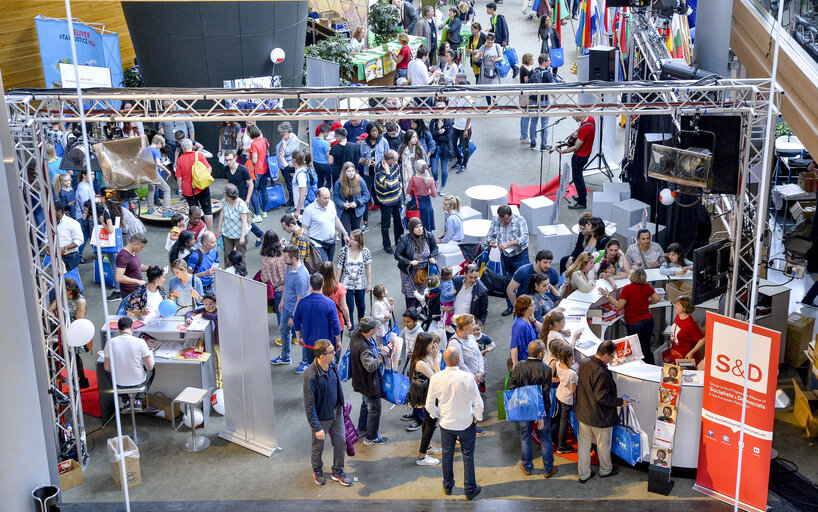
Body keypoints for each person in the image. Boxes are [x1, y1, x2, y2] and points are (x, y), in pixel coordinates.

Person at [425, 347, 484, 500]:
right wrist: (477, 417)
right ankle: (470, 489)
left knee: (447, 454)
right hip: (466, 423)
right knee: (468, 455)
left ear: (445, 361)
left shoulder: (436, 378)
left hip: (446, 425)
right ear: (457, 360)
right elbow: (479, 403)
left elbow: (429, 405)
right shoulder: (467, 377)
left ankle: (448, 485)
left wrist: (438, 415)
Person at [575, 340, 635, 483]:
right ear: (606, 355)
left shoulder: (585, 362)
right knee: (603, 445)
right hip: (599, 417)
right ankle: (605, 470)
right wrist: (621, 402)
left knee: (584, 445)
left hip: (584, 413)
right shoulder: (601, 372)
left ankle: (584, 474)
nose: (613, 360)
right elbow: (602, 397)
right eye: (612, 357)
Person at [303, 338, 352, 486]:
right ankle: (317, 470)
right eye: (332, 351)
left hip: (336, 412)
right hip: (322, 417)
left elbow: (337, 387)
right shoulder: (310, 376)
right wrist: (317, 427)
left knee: (341, 442)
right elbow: (309, 405)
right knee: (318, 446)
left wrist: (342, 406)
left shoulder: (332, 365)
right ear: (322, 356)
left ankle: (338, 471)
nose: (335, 352)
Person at [509, 339, 557, 477]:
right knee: (546, 438)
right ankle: (548, 469)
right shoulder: (546, 369)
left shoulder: (518, 366)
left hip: (523, 408)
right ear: (541, 354)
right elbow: (545, 393)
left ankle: (527, 466)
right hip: (540, 409)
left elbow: (512, 386)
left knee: (525, 437)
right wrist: (540, 415)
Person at [600, 268, 661, 365]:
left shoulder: (627, 288)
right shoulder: (647, 286)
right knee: (646, 347)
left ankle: (638, 369)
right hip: (648, 321)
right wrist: (646, 303)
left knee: (635, 350)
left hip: (635, 323)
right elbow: (657, 298)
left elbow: (619, 305)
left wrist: (608, 296)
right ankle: (650, 367)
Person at [350, 317, 390, 445]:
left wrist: (378, 349)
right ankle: (371, 437)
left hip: (361, 382)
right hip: (369, 384)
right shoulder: (363, 347)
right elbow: (371, 366)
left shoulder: (357, 334)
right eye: (375, 328)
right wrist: (383, 353)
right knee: (374, 409)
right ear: (371, 331)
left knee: (365, 404)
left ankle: (361, 429)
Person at [104, 316, 155, 412]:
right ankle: (139, 399)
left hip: (119, 383)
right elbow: (150, 366)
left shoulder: (110, 342)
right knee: (152, 370)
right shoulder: (140, 342)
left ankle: (126, 400)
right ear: (132, 327)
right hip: (138, 381)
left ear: (118, 329)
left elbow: (107, 367)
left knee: (107, 373)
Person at [293, 273, 342, 374]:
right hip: (326, 345)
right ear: (323, 283)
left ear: (311, 285)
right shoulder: (329, 303)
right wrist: (338, 341)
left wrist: (299, 337)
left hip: (310, 344)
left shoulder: (302, 302)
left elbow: (296, 320)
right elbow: (335, 324)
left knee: (314, 368)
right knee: (328, 369)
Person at [271, 245, 311, 366]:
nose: (284, 259)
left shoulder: (301, 276)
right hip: (287, 308)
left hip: (298, 312)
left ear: (293, 258)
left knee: (303, 337)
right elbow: (287, 285)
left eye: (286, 257)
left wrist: (293, 317)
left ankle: (305, 361)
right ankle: (285, 356)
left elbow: (301, 299)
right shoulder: (289, 268)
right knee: (284, 331)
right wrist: (282, 300)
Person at [488, 205, 531, 316]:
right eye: (501, 219)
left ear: (511, 215)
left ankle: (525, 306)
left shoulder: (519, 220)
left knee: (524, 281)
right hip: (505, 257)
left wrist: (508, 243)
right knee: (508, 281)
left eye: (506, 219)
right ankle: (511, 306)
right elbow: (490, 235)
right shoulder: (496, 221)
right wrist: (491, 242)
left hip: (520, 255)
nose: (503, 221)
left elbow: (524, 238)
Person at [407, 332, 443, 465]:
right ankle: (421, 456)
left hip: (429, 393)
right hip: (426, 395)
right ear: (424, 345)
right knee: (430, 424)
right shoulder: (420, 362)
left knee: (428, 422)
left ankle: (427, 447)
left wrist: (433, 357)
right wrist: (435, 358)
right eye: (431, 344)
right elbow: (437, 377)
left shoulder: (424, 357)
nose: (433, 346)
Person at [395, 218, 439, 309]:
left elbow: (435, 248)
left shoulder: (428, 236)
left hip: (423, 270)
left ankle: (419, 309)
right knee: (411, 294)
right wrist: (409, 262)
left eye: (420, 226)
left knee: (422, 292)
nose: (420, 229)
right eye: (416, 227)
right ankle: (411, 314)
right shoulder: (405, 238)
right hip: (409, 272)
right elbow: (397, 255)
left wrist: (432, 257)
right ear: (411, 229)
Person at [223, 150, 263, 247]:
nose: (228, 162)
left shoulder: (243, 169)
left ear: (235, 158)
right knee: (238, 220)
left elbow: (251, 185)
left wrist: (248, 199)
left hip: (243, 198)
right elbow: (227, 184)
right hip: (232, 199)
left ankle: (260, 235)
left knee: (246, 221)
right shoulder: (225, 169)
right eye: (226, 160)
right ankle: (259, 235)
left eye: (230, 160)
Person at [556, 115, 596, 210]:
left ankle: (582, 203)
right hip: (586, 154)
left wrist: (563, 151)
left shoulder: (584, 128)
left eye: (574, 115)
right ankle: (581, 198)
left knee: (578, 179)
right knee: (578, 178)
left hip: (579, 157)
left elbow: (576, 147)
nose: (573, 117)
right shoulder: (590, 119)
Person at [336, 229, 372, 330]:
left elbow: (368, 268)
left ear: (359, 241)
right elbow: (339, 268)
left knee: (361, 306)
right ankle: (350, 326)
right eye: (350, 238)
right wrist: (337, 284)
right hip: (346, 284)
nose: (350, 241)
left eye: (353, 239)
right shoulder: (344, 251)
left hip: (360, 284)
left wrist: (369, 283)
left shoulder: (365, 251)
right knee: (349, 307)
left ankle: (362, 323)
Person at [175, 138, 214, 231]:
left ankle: (197, 233)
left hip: (189, 191)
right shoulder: (199, 155)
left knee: (194, 213)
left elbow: (179, 177)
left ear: (182, 148)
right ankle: (210, 233)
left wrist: (180, 190)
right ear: (192, 146)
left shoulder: (180, 159)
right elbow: (209, 169)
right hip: (202, 187)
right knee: (207, 210)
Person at [302, 187, 350, 263]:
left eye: (328, 197)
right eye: (325, 198)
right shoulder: (309, 210)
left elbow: (335, 219)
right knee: (326, 266)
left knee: (329, 266)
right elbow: (305, 228)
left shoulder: (331, 204)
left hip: (332, 242)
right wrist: (306, 245)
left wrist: (345, 233)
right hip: (317, 244)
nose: (327, 200)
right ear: (318, 197)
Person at [358, 123, 389, 231]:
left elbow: (388, 157)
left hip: (380, 173)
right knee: (366, 196)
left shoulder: (383, 141)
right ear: (369, 132)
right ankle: (365, 222)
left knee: (382, 196)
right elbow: (360, 157)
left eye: (376, 131)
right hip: (368, 173)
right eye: (372, 131)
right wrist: (364, 161)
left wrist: (379, 163)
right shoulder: (364, 144)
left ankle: (383, 220)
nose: (374, 133)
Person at [374, 150, 405, 254]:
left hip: (397, 198)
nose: (397, 161)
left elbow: (397, 178)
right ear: (388, 160)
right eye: (395, 159)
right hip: (386, 201)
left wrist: (400, 192)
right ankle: (386, 245)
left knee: (398, 222)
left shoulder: (395, 163)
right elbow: (389, 185)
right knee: (386, 225)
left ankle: (399, 241)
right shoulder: (379, 168)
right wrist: (387, 171)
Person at [333, 162, 371, 237]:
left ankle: (357, 248)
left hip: (357, 211)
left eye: (352, 170)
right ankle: (346, 248)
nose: (351, 173)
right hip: (344, 211)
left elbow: (366, 195)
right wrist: (343, 204)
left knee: (356, 233)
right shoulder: (339, 183)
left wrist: (357, 203)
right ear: (344, 172)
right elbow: (335, 197)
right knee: (346, 233)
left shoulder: (359, 180)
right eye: (349, 171)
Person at [527, 54, 555, 150]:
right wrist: (555, 100)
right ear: (544, 62)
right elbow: (552, 90)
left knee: (533, 122)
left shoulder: (533, 71)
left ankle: (533, 143)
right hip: (544, 101)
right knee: (544, 123)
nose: (550, 62)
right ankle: (544, 144)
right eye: (548, 61)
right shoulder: (548, 74)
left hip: (534, 100)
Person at [259, 230, 287, 323]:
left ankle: (284, 335)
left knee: (280, 312)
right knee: (291, 311)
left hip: (276, 290)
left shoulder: (264, 258)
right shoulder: (284, 253)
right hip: (288, 286)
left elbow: (265, 278)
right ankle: (295, 335)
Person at [217, 183, 250, 261]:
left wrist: (242, 236)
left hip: (239, 233)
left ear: (230, 196)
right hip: (227, 233)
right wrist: (220, 226)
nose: (224, 196)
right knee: (227, 255)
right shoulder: (225, 201)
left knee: (240, 255)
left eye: (225, 194)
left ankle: (241, 272)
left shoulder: (241, 205)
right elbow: (222, 213)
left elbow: (244, 222)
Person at [669, 296, 706, 363]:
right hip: (676, 354)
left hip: (686, 358)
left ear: (684, 309)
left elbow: (702, 339)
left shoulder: (690, 325)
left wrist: (691, 352)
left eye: (678, 305)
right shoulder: (678, 316)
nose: (675, 306)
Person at [114, 233, 148, 302]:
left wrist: (149, 268)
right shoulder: (123, 256)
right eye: (141, 247)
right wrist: (138, 282)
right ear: (135, 244)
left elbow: (137, 266)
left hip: (137, 289)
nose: (142, 249)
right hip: (129, 292)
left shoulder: (134, 251)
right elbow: (119, 277)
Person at [319, 261, 350, 337]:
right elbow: (344, 307)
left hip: (322, 322)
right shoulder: (339, 287)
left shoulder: (317, 287)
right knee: (337, 346)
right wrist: (348, 321)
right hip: (337, 322)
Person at [510, 295, 542, 367]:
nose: (535, 307)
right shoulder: (519, 325)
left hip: (533, 357)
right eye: (532, 305)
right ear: (525, 308)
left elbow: (541, 330)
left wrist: (534, 321)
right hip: (526, 362)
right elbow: (514, 347)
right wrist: (515, 366)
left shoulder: (529, 318)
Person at [275, 122, 301, 212]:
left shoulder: (293, 140)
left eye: (282, 132)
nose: (281, 134)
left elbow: (285, 152)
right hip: (283, 165)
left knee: (291, 186)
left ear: (286, 132)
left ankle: (294, 204)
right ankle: (291, 200)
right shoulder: (285, 138)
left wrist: (284, 141)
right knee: (288, 185)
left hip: (289, 166)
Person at [146, 135, 174, 217]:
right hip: (153, 173)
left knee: (151, 189)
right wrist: (167, 170)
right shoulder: (156, 151)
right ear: (159, 142)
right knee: (167, 189)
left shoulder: (146, 150)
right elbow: (158, 163)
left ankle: (150, 209)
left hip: (147, 173)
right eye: (161, 145)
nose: (161, 147)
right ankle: (166, 211)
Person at [429, 107, 454, 194]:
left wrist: (437, 136)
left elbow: (448, 137)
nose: (439, 112)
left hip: (445, 149)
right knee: (434, 170)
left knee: (444, 169)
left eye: (441, 110)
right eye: (437, 110)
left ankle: (443, 187)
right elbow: (431, 135)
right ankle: (436, 181)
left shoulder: (449, 122)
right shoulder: (433, 122)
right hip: (435, 149)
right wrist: (439, 133)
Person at [406, 160, 437, 231]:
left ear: (416, 169)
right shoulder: (430, 180)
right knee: (427, 224)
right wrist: (428, 192)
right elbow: (434, 194)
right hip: (427, 203)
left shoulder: (413, 179)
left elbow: (408, 191)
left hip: (415, 203)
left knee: (416, 225)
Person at [55, 200, 84, 271]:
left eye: (52, 211)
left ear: (59, 212)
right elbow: (47, 238)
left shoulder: (73, 223)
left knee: (72, 280)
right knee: (59, 279)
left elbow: (79, 240)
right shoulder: (50, 224)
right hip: (56, 257)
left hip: (71, 257)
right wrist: (46, 247)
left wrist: (65, 248)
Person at [312, 123, 333, 190]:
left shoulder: (314, 140)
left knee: (320, 179)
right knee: (329, 180)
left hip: (316, 163)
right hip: (324, 164)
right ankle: (326, 193)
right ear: (326, 133)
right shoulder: (325, 143)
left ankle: (320, 193)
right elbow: (328, 155)